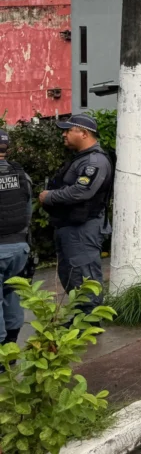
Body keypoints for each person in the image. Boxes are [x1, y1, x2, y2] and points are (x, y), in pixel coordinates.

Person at [39, 114, 114, 316]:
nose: (63, 135)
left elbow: (82, 191)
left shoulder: (94, 161)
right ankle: (81, 318)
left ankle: (90, 323)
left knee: (85, 276)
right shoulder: (81, 158)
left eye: (68, 130)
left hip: (83, 228)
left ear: (83, 133)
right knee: (71, 275)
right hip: (71, 226)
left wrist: (49, 196)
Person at [0, 130, 30, 345]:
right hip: (20, 247)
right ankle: (11, 345)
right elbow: (27, 210)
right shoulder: (20, 174)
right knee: (11, 293)